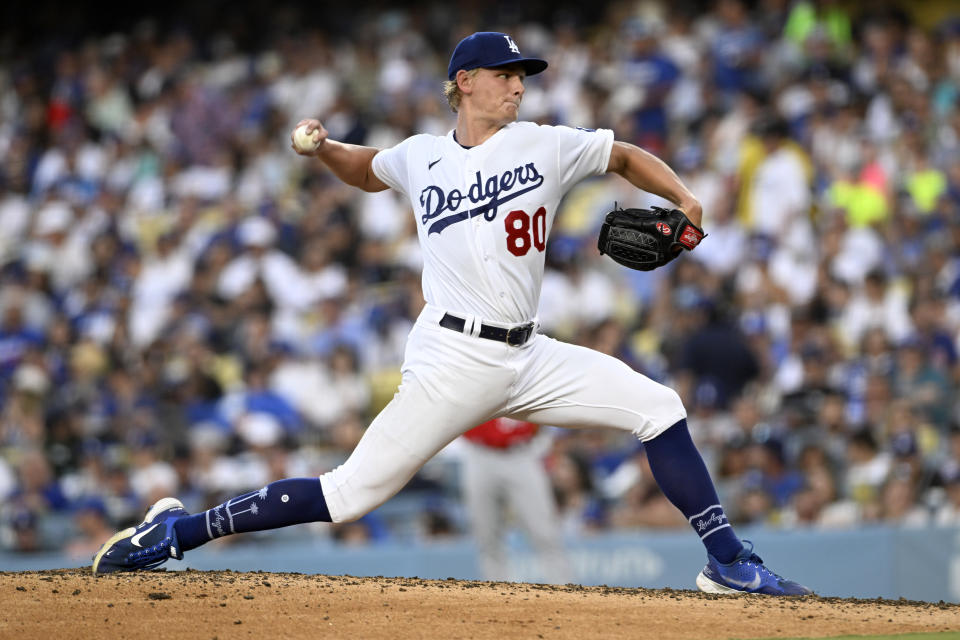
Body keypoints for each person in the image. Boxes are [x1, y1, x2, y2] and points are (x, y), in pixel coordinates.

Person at [92, 31, 811, 596]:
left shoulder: (545, 143)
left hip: (530, 355)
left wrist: (686, 202)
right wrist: (326, 150)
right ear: (464, 82)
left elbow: (623, 156)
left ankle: (728, 562)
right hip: (452, 358)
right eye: (505, 75)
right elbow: (367, 168)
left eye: (522, 75)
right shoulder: (421, 156)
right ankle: (175, 533)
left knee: (658, 406)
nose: (518, 85)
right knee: (348, 493)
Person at [459, 417, 572, 584]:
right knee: (486, 536)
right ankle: (498, 597)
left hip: (521, 452)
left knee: (545, 532)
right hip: (479, 452)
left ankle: (565, 593)